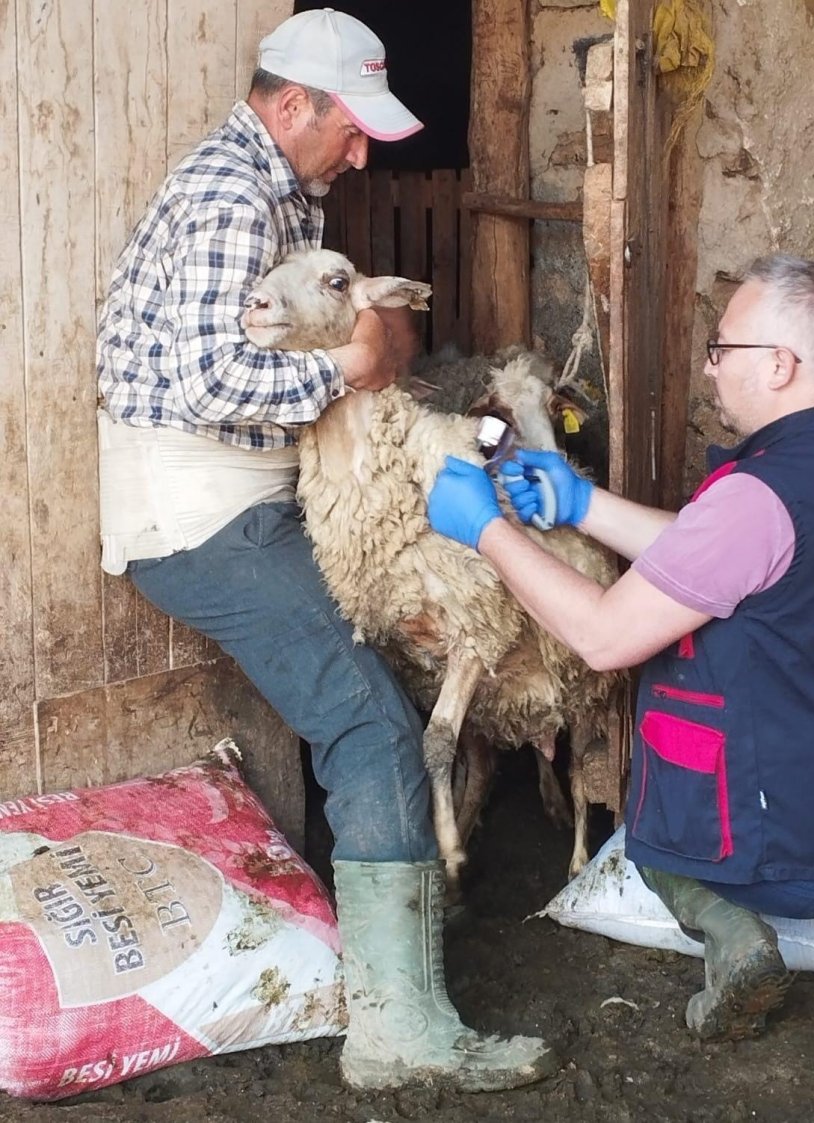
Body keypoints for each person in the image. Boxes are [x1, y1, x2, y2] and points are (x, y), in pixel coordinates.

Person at [96, 7, 557, 1093]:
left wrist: (377, 347)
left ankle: (403, 921)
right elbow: (216, 382)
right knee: (373, 725)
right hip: (205, 512)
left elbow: (370, 338)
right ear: (292, 105)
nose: (362, 154)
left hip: (251, 492)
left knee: (380, 681)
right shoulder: (228, 194)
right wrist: (349, 370)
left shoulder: (278, 191)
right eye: (352, 130)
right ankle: (399, 1032)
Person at [427, 254, 814, 1045]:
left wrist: (488, 530)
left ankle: (736, 941)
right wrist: (582, 503)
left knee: (654, 844)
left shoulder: (759, 496)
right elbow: (720, 555)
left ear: (781, 365)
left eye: (724, 349)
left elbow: (607, 635)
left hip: (771, 820)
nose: (712, 370)